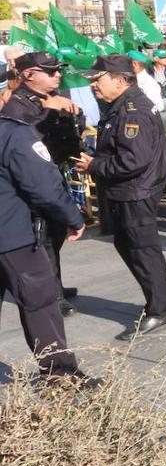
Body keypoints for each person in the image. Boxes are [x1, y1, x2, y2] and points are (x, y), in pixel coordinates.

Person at [74, 55, 166, 337]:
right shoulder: (120, 105)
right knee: (129, 245)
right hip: (127, 190)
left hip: (135, 191)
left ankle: (158, 309)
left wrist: (94, 166)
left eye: (98, 79)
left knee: (142, 250)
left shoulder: (133, 111)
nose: (94, 85)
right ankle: (164, 293)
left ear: (119, 81)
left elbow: (133, 160)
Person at [0, 113, 91, 382]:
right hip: (12, 235)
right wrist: (72, 217)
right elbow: (42, 185)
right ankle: (60, 375)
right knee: (40, 302)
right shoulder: (12, 132)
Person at [1, 51, 85, 316]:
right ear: (28, 75)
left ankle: (55, 284)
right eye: (50, 71)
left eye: (58, 70)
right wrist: (49, 111)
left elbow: (71, 134)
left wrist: (72, 114)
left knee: (55, 237)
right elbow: (26, 145)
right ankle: (52, 295)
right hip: (34, 182)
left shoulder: (53, 98)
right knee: (44, 239)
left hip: (55, 172)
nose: (57, 75)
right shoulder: (17, 106)